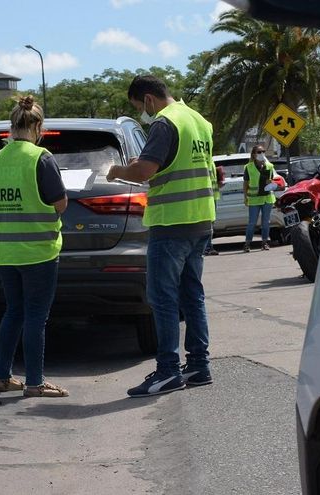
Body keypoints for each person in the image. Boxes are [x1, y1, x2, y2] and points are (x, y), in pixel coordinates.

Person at [106, 75, 215, 397]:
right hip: (200, 219)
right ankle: (198, 365)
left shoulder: (165, 124)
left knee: (163, 299)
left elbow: (144, 172)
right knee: (191, 296)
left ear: (149, 100)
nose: (143, 113)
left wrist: (116, 172)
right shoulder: (198, 120)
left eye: (140, 107)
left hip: (171, 224)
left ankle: (168, 371)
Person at [0, 95, 69, 398]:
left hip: (5, 252)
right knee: (36, 315)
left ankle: (2, 376)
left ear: (12, 125)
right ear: (38, 126)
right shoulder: (40, 157)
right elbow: (59, 203)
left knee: (14, 312)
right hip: (38, 252)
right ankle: (34, 382)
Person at [242, 145, 279, 252]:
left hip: (267, 198)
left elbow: (272, 181)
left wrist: (271, 183)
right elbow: (245, 184)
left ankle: (264, 243)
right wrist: (245, 197)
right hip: (254, 199)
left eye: (263, 151)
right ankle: (247, 243)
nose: (262, 153)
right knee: (252, 222)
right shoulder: (248, 167)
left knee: (266, 222)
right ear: (254, 154)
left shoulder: (270, 166)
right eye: (259, 152)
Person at [203, 164, 224, 256]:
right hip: (207, 197)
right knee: (207, 224)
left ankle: (208, 247)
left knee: (210, 224)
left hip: (213, 196)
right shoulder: (206, 159)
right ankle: (207, 248)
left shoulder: (211, 161)